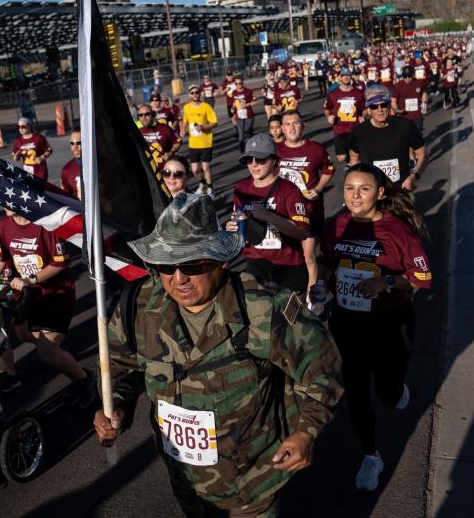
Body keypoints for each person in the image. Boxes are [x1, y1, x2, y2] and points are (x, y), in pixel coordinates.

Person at [94, 193, 343, 517]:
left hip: (253, 485)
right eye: (166, 266)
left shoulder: (264, 308)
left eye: (193, 265)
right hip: (184, 481)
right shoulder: (137, 308)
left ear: (220, 260)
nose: (178, 278)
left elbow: (322, 368)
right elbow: (119, 367)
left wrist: (305, 432)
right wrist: (115, 405)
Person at [314, 162, 432, 491]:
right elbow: (326, 264)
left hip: (390, 325)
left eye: (364, 188)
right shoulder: (334, 226)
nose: (355, 195)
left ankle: (395, 389)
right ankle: (371, 455)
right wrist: (321, 285)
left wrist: (388, 283)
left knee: (389, 392)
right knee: (357, 395)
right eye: (349, 188)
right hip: (347, 326)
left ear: (380, 194)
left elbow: (423, 277)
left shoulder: (397, 231)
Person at [0, 208, 93, 402]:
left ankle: (84, 379)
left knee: (46, 353)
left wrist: (31, 278)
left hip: (56, 295)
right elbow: (0, 256)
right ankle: (66, 362)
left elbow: (60, 263)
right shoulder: (4, 225)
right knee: (24, 335)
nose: (3, 204)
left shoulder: (45, 224)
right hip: (29, 296)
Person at [226, 134, 311, 293]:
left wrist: (269, 216)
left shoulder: (289, 190)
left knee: (290, 317)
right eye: (248, 160)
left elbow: (302, 232)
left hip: (288, 265)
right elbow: (239, 221)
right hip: (255, 263)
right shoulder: (241, 188)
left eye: (260, 160)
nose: (254, 165)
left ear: (274, 161)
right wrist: (233, 226)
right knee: (257, 316)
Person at [275, 111, 335, 289]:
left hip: (310, 212)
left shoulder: (316, 149)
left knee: (309, 256)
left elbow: (329, 170)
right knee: (288, 256)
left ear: (302, 125)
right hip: (284, 213)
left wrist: (318, 189)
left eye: (296, 123)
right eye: (287, 124)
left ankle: (313, 296)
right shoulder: (275, 150)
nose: (292, 128)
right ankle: (292, 290)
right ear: (282, 128)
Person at [349, 85, 427, 192]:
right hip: (372, 193)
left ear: (389, 105)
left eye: (383, 105)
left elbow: (423, 154)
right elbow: (354, 159)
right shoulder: (359, 131)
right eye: (374, 107)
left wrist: (415, 176)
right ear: (368, 110)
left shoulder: (406, 126)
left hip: (401, 189)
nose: (380, 110)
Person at [323, 68, 366, 164]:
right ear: (340, 78)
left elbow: (364, 109)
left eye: (347, 75)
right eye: (343, 75)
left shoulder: (358, 93)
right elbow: (326, 108)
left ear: (350, 76)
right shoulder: (333, 94)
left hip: (354, 128)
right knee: (341, 157)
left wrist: (363, 116)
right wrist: (328, 116)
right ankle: (350, 162)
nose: (346, 77)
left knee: (355, 157)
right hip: (340, 129)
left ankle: (354, 168)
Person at [180, 85, 217, 197]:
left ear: (200, 93)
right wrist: (182, 129)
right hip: (193, 143)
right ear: (189, 95)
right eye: (192, 93)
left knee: (205, 167)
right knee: (195, 170)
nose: (195, 94)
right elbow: (185, 121)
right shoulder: (186, 107)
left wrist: (203, 127)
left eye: (197, 92)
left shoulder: (206, 107)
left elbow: (214, 122)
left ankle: (210, 188)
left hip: (206, 142)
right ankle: (202, 183)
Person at [391, 66, 429, 134]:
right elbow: (393, 100)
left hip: (417, 115)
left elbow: (424, 93)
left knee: (417, 137)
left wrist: (424, 103)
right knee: (405, 137)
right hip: (403, 116)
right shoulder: (397, 86)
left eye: (409, 76)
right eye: (405, 76)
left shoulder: (419, 83)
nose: (407, 78)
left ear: (413, 75)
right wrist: (396, 109)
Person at [229, 73, 256, 152]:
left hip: (249, 115)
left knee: (248, 132)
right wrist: (232, 108)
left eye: (240, 83)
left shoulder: (248, 91)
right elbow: (234, 102)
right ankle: (242, 151)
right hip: (239, 116)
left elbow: (255, 102)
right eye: (236, 83)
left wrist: (248, 104)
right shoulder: (233, 92)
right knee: (240, 134)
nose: (238, 85)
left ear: (243, 83)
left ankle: (251, 149)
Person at [60, 127, 82, 199]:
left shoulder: (102, 165)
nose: (75, 147)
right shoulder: (67, 169)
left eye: (79, 143)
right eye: (72, 143)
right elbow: (65, 197)